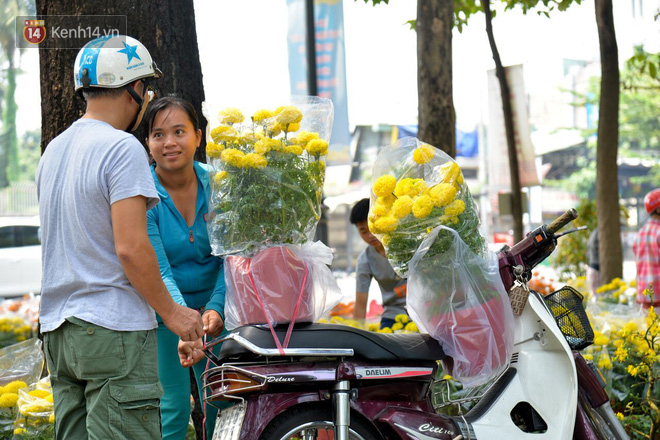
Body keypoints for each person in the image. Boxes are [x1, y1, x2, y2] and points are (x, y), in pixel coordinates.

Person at [36, 35, 204, 440]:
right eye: (146, 87)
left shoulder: (54, 151)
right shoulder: (121, 148)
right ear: (134, 89)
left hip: (60, 333)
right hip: (112, 332)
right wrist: (173, 313)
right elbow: (131, 248)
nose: (146, 97)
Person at [144, 97, 226, 439]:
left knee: (223, 404)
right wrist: (182, 323)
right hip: (165, 315)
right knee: (172, 407)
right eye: (158, 135)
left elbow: (234, 257)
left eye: (179, 131)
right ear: (148, 144)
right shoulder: (142, 195)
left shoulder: (222, 186)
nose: (170, 143)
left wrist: (217, 308)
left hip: (220, 316)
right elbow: (158, 267)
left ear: (198, 136)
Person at [350, 198, 408, 328]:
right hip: (392, 315)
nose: (370, 235)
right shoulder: (365, 261)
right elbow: (360, 304)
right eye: (363, 231)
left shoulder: (407, 245)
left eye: (372, 228)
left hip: (423, 312)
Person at [633, 189, 660, 307]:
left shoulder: (640, 233)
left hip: (644, 293)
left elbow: (638, 265)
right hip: (658, 292)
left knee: (649, 324)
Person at [586, 227, 600, 295]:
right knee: (597, 294)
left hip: (591, 267)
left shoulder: (594, 233)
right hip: (596, 267)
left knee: (594, 293)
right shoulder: (599, 232)